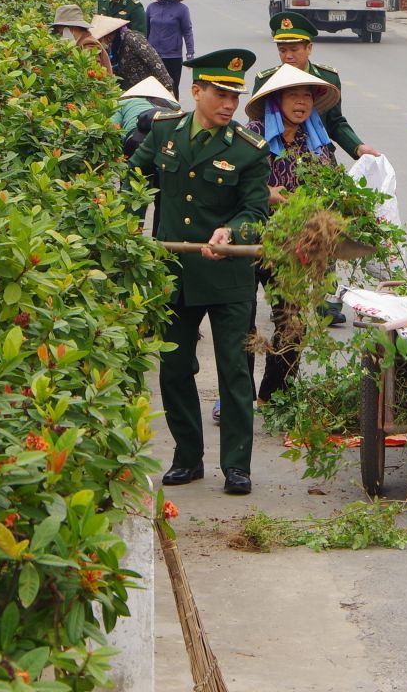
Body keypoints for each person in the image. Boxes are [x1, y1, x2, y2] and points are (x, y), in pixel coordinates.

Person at [129, 49, 270, 497]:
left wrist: (231, 231)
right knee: (173, 368)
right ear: (196, 92)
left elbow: (255, 211)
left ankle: (236, 466)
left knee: (234, 371)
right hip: (174, 274)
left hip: (228, 278)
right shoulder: (165, 132)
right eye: (220, 94)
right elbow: (135, 182)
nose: (230, 104)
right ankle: (187, 457)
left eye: (235, 96)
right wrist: (124, 231)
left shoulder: (248, 150)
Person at [244, 63, 342, 403]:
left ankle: (275, 398)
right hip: (250, 241)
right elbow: (233, 181)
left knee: (292, 322)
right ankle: (237, 396)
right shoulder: (252, 135)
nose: (301, 103)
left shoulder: (315, 142)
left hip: (293, 246)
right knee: (242, 323)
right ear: (277, 101)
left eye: (306, 96)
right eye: (293, 96)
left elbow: (330, 187)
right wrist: (265, 194)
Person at [255, 11, 380, 160]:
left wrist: (357, 147)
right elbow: (256, 127)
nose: (288, 56)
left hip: (320, 158)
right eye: (282, 50)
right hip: (277, 158)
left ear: (309, 48)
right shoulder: (266, 81)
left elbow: (335, 122)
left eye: (294, 49)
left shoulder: (328, 79)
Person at [144, 0, 195, 90]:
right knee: (153, 88)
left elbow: (187, 31)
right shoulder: (151, 8)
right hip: (153, 55)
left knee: (172, 87)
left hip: (173, 57)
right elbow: (145, 31)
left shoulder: (182, 9)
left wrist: (190, 54)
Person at [115, 75, 177, 155]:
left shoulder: (122, 103)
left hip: (136, 136)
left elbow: (114, 127)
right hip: (163, 137)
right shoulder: (166, 103)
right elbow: (177, 106)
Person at [52, 4, 116, 74]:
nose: (62, 37)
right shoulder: (80, 42)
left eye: (61, 33)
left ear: (70, 28)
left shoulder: (88, 43)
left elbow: (92, 72)